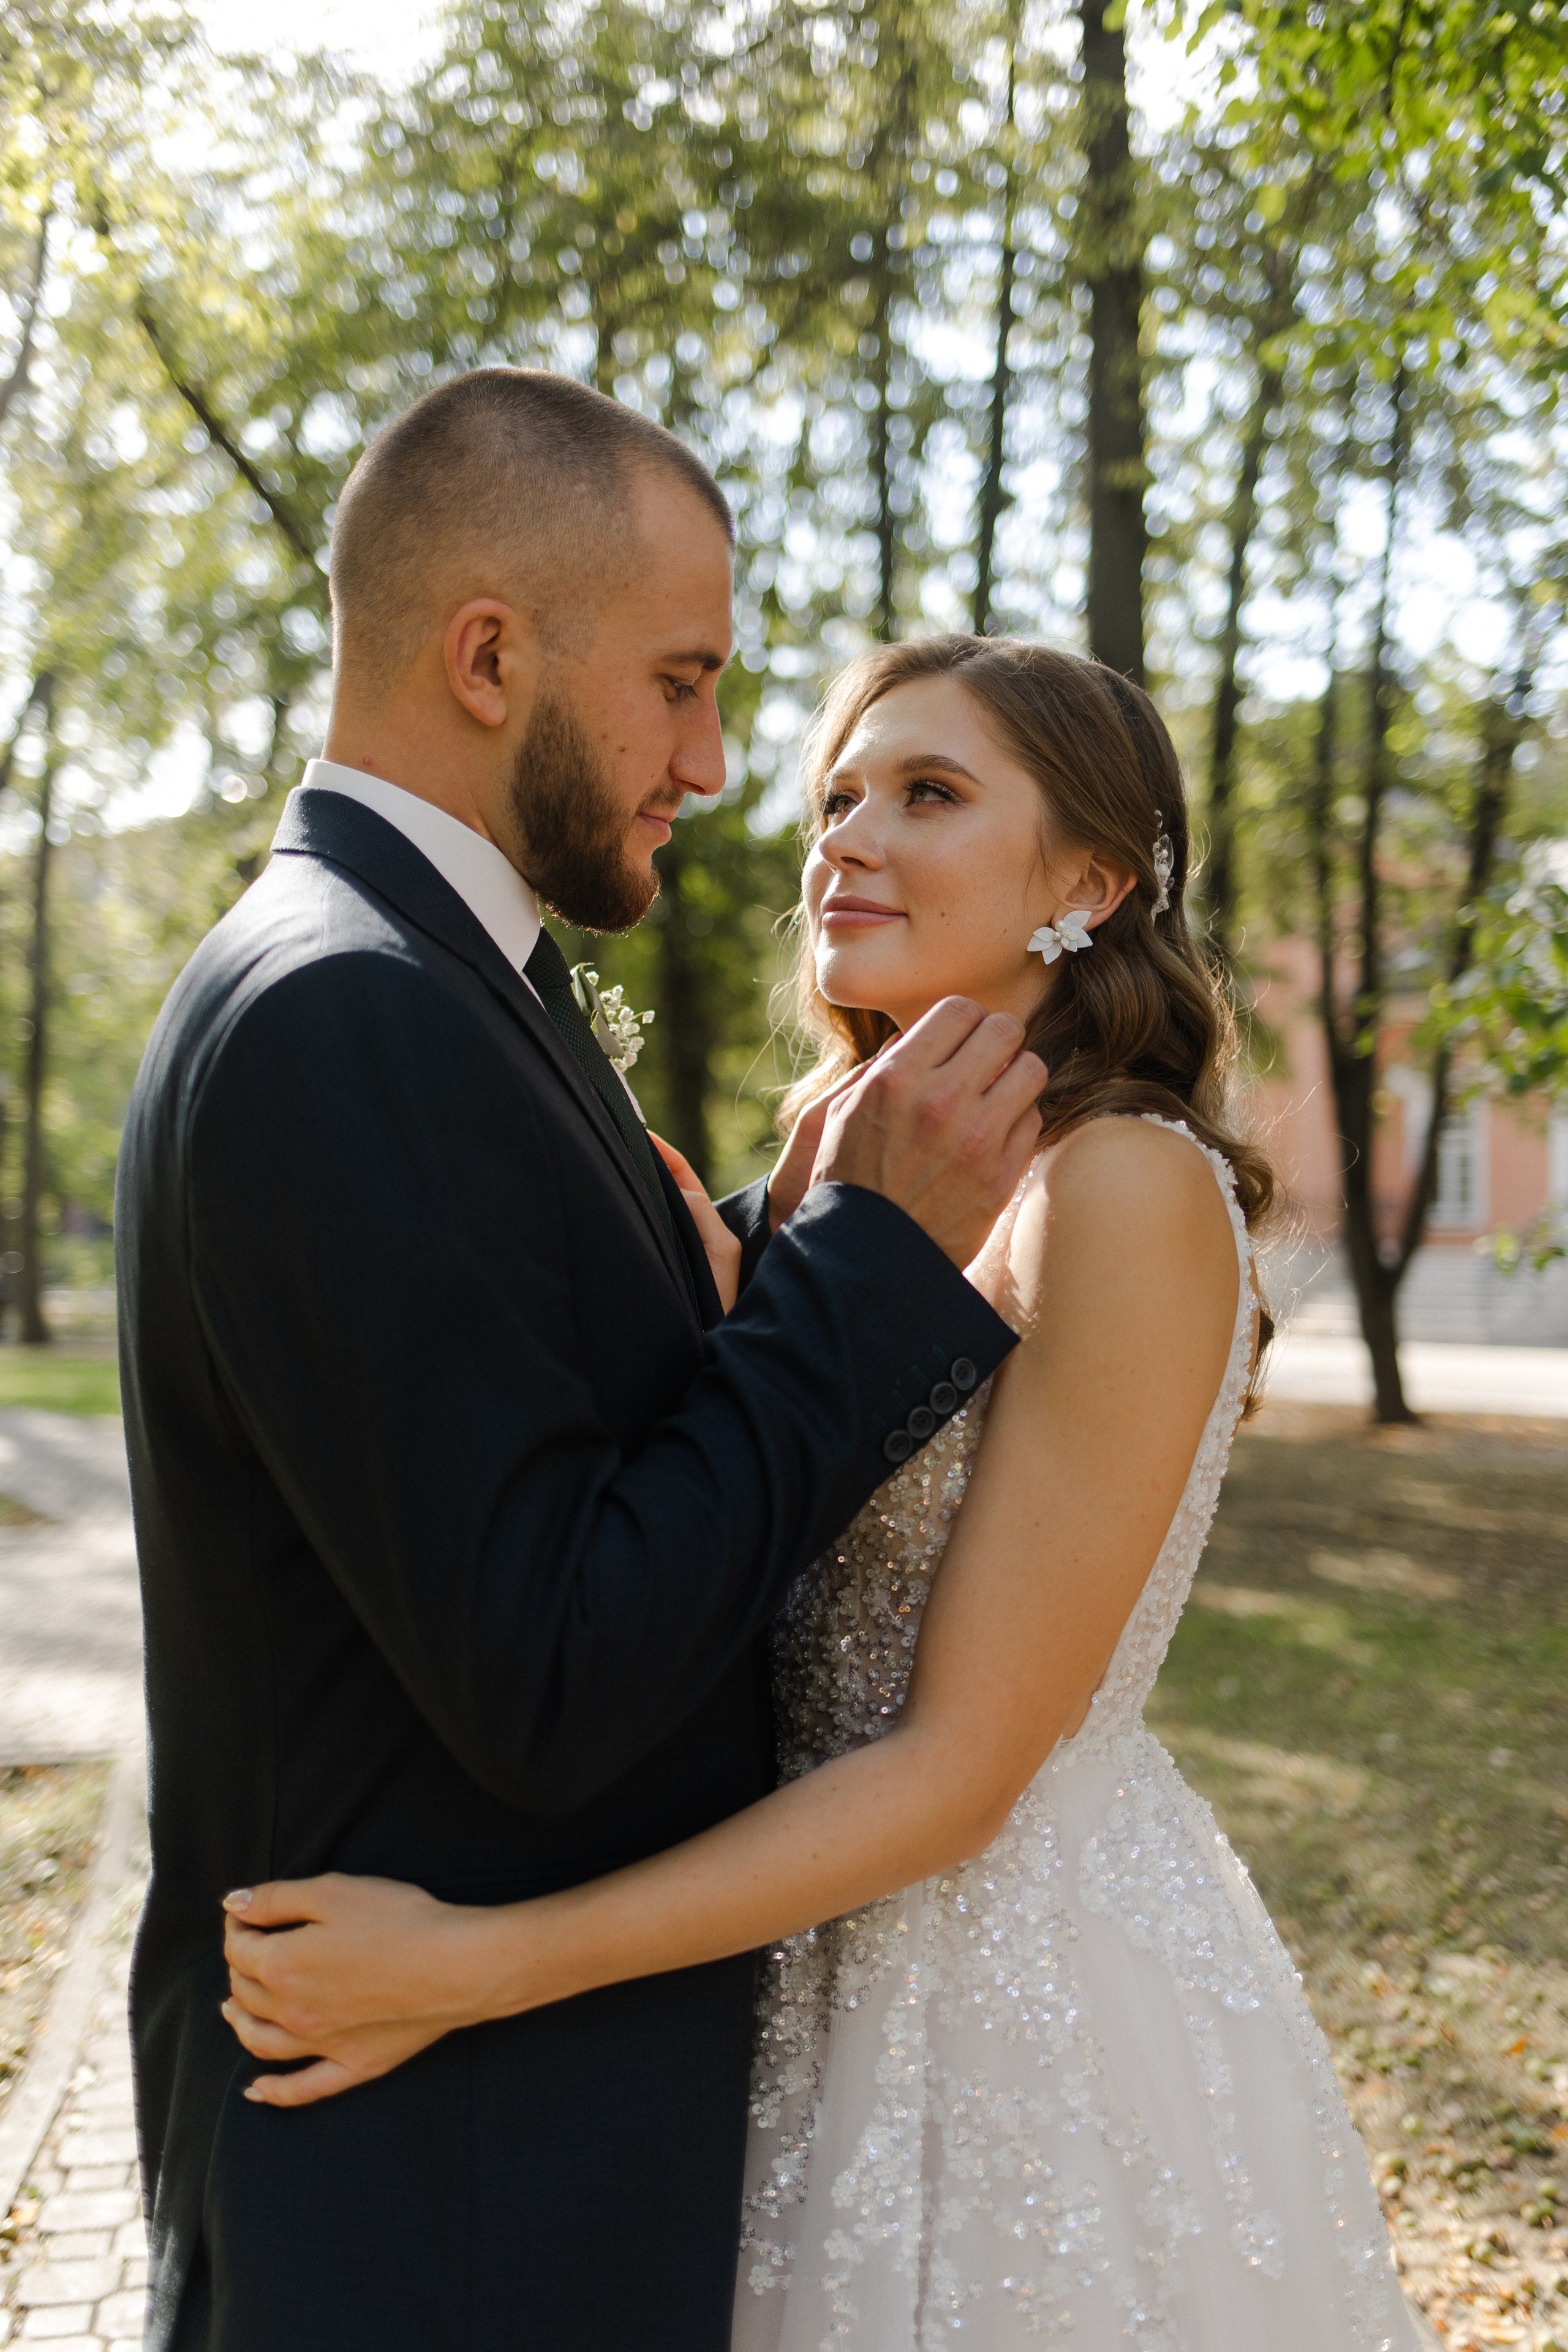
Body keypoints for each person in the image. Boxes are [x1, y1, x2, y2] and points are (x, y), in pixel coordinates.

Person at [221, 636, 1418, 2351]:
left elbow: (959, 1774)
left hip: (1006, 2005)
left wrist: (476, 1963)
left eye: (928, 794)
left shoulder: (1125, 1187)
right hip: (778, 1966)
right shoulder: (850, 1160)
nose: (847, 838)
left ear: (1088, 883)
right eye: (838, 797)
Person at [116, 377, 1046, 2352]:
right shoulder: (347, 1012)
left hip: (482, 2170)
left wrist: (771, 1255)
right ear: (488, 658)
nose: (712, 763)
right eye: (682, 685)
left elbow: (526, 1426)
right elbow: (554, 1670)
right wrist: (865, 1273)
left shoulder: (429, 980)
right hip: (436, 2211)